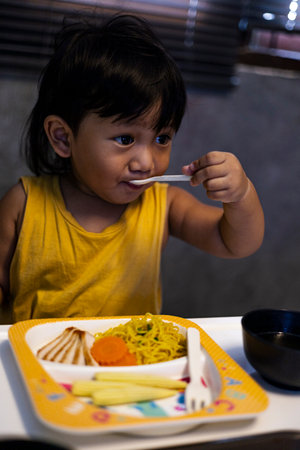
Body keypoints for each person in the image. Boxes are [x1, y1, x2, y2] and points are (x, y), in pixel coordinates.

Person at [0, 14, 264, 322]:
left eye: (162, 138)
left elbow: (234, 243)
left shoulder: (165, 206)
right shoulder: (23, 204)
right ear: (63, 137)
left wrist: (240, 193)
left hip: (128, 368)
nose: (147, 162)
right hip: (34, 365)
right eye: (125, 139)